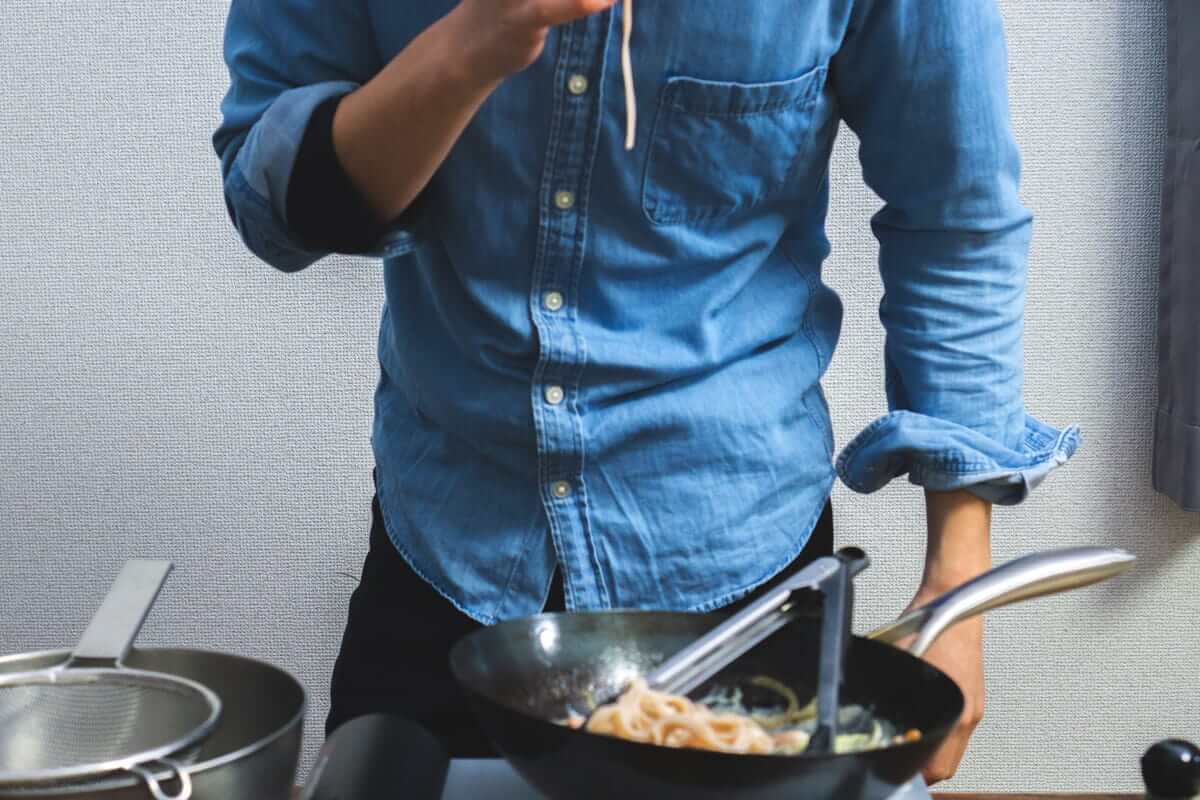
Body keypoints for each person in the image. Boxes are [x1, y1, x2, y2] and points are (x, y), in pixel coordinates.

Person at [212, 0, 1078, 783]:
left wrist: (956, 594)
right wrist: (472, 45)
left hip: (742, 566)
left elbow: (955, 219)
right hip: (445, 561)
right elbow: (273, 211)